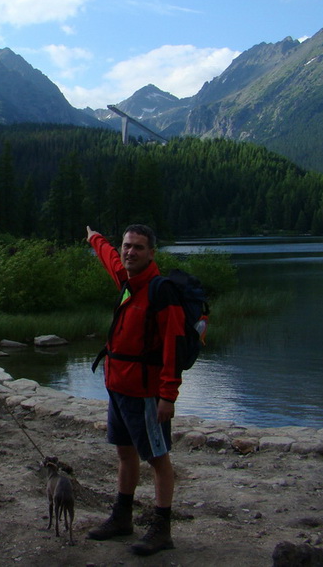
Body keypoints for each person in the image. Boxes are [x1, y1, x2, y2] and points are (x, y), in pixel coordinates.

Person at [84, 224, 186, 556]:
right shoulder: (128, 282)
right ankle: (123, 517)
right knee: (125, 454)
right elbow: (111, 260)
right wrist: (95, 238)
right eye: (128, 245)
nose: (130, 252)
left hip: (146, 392)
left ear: (151, 253)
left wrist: (167, 395)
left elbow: (173, 345)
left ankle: (161, 528)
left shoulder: (161, 292)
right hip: (117, 387)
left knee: (157, 458)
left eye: (138, 247)